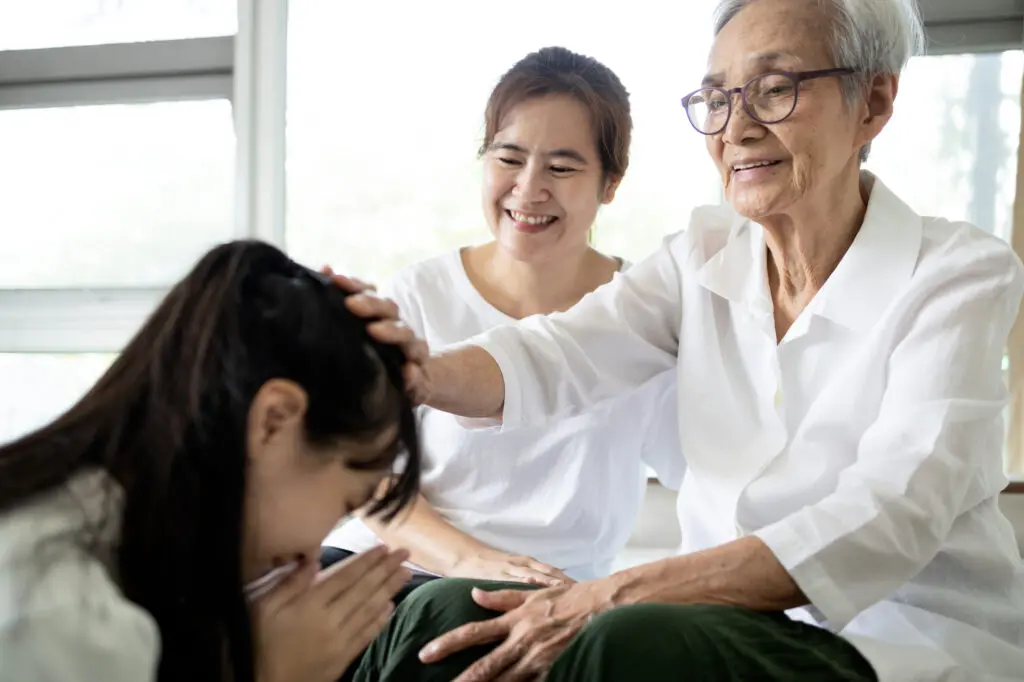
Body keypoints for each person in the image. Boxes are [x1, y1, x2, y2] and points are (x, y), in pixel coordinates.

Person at [327, 0, 1024, 680]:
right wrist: (417, 371)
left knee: (629, 640)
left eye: (775, 90)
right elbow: (561, 351)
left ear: (871, 103)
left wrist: (608, 592)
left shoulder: (957, 275)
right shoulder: (702, 253)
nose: (738, 128)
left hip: (891, 643)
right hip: (713, 621)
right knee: (453, 611)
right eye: (718, 100)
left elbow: (890, 514)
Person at [321, 45, 681, 596]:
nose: (528, 188)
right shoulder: (421, 294)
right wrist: (474, 560)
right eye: (509, 159)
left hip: (550, 592)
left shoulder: (644, 313)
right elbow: (371, 478)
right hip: (397, 568)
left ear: (611, 183)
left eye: (561, 167)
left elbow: (706, 468)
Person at [0, 241, 422, 682]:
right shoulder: (67, 614)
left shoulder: (100, 532)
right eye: (345, 505)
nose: (312, 558)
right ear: (274, 421)